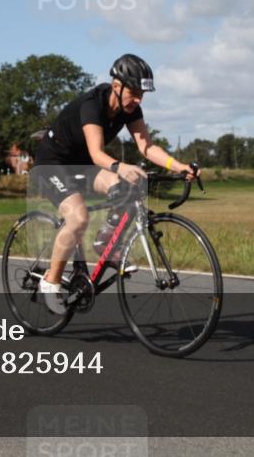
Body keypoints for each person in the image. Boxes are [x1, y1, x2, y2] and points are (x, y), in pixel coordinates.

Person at [33, 54, 199, 314]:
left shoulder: (130, 108)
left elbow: (147, 146)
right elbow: (97, 154)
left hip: (81, 165)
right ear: (116, 86)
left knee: (125, 188)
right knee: (78, 218)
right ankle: (50, 282)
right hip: (52, 163)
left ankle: (105, 243)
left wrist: (179, 166)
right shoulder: (92, 105)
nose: (138, 100)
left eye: (142, 95)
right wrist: (121, 167)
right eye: (134, 93)